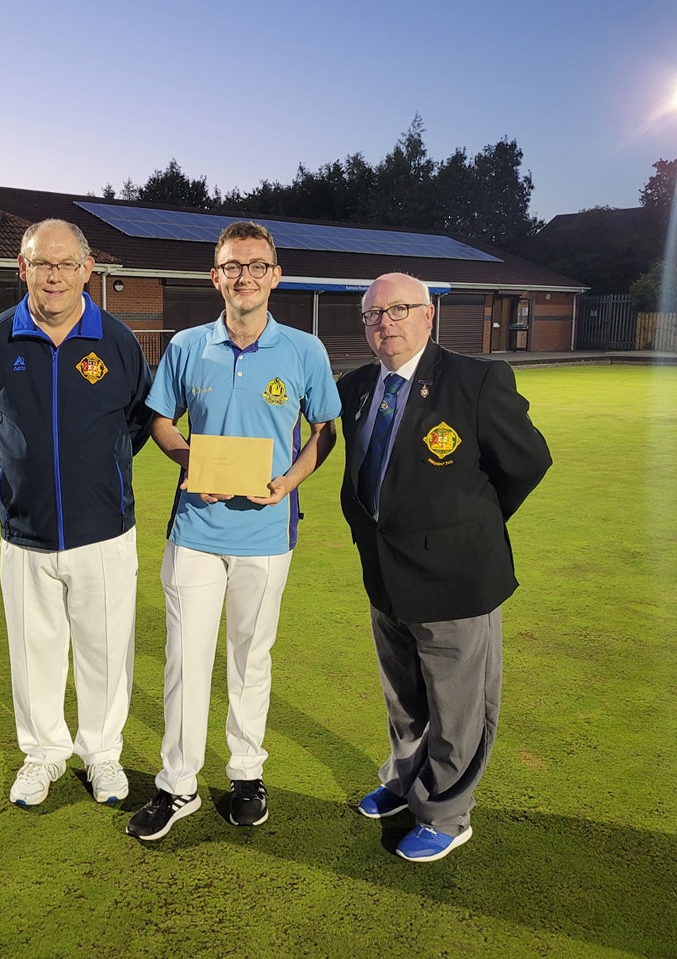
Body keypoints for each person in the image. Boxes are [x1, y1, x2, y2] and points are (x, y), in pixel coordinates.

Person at [126, 221, 341, 841]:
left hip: (268, 534)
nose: (243, 276)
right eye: (231, 266)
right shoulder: (189, 345)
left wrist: (287, 484)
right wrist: (192, 460)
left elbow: (324, 431)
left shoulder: (305, 351)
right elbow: (161, 418)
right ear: (214, 276)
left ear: (276, 275)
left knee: (251, 659)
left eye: (256, 265)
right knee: (184, 660)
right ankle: (178, 784)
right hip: (194, 531)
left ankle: (246, 773)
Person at [337, 272, 552, 862]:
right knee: (404, 696)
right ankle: (406, 782)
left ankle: (448, 812)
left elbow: (528, 463)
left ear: (428, 315)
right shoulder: (357, 386)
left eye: (400, 309)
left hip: (457, 579)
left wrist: (469, 525)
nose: (387, 322)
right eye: (375, 314)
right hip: (385, 576)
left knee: (458, 703)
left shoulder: (476, 380)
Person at [0, 219, 153, 809]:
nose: (55, 277)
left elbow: (138, 422)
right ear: (23, 269)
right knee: (34, 651)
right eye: (43, 264)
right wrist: (27, 469)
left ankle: (102, 755)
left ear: (88, 270)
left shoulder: (118, 341)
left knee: (105, 651)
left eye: (67, 265)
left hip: (105, 533)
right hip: (25, 535)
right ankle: (43, 754)